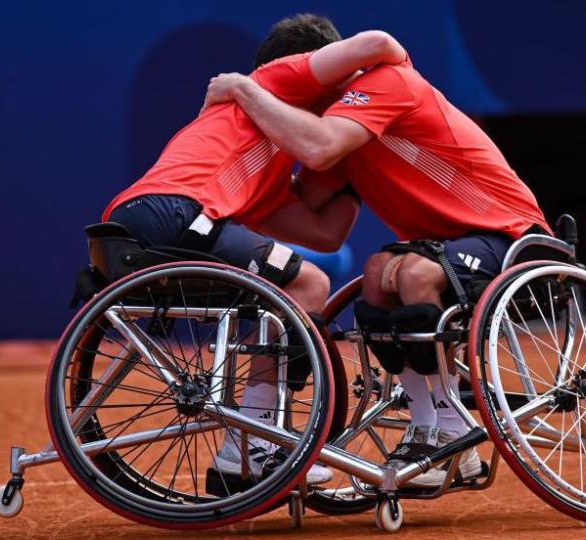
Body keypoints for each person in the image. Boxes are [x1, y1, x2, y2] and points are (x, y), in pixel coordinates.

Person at [203, 46, 551, 488]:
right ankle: (431, 425)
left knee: (412, 273)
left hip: (509, 232)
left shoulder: (387, 83)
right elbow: (313, 224)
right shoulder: (340, 129)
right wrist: (217, 195)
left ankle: (451, 426)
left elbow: (318, 143)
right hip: (436, 249)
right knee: (375, 273)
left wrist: (244, 91)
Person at [102, 14, 407, 490]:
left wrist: (357, 165)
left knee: (293, 284)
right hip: (174, 215)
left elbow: (325, 234)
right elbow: (379, 42)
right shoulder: (275, 78)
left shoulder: (262, 171)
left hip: (140, 223)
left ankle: (251, 441)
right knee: (310, 284)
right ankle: (251, 445)